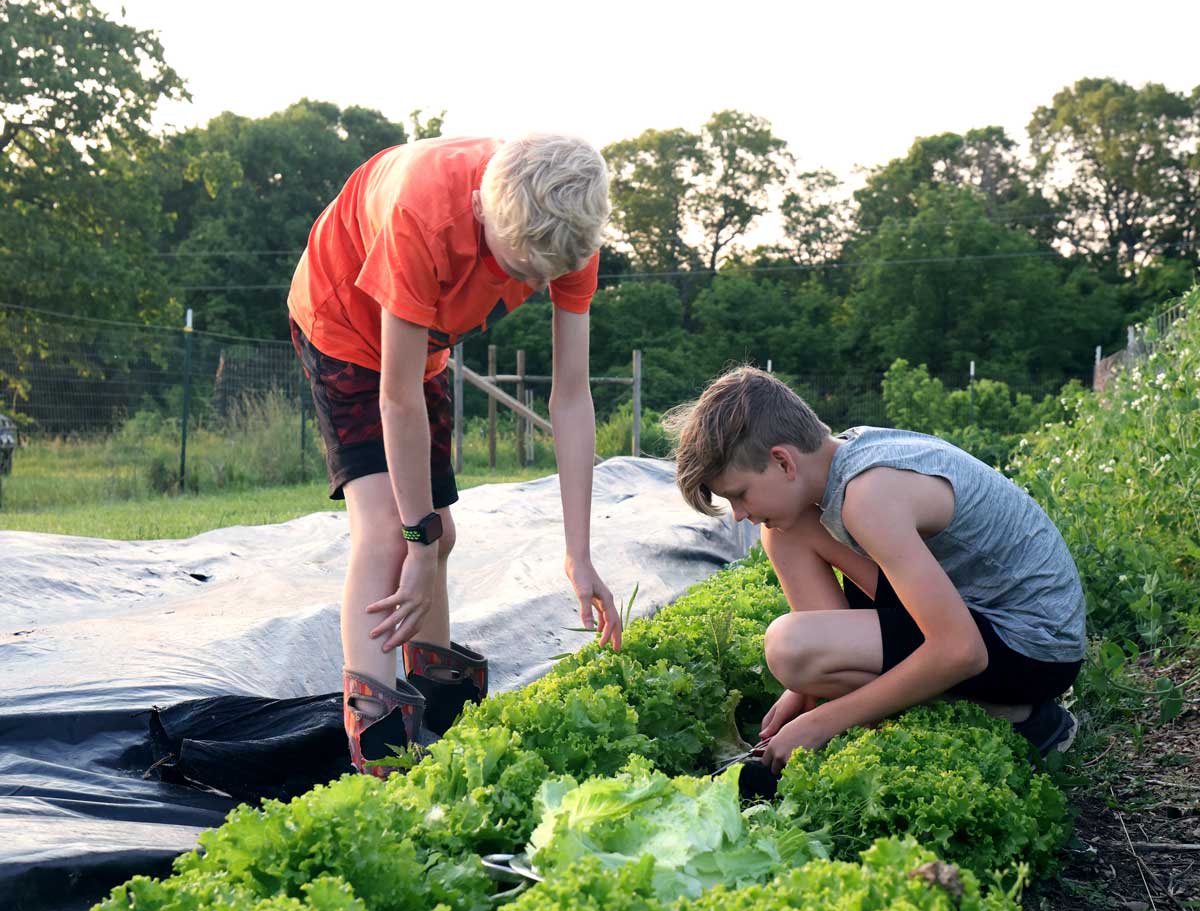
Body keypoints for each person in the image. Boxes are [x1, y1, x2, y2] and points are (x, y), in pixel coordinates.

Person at [288, 132, 621, 775]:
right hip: (344, 326)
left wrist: (579, 556)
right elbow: (397, 400)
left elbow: (572, 400)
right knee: (390, 533)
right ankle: (378, 740)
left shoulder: (568, 228)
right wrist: (414, 539)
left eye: (542, 277)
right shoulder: (423, 212)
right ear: (483, 211)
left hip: (425, 339)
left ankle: (435, 704)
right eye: (520, 269)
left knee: (440, 537)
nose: (527, 286)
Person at [667, 367, 1086, 771]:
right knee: (784, 534)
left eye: (739, 495)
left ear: (783, 462)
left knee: (790, 646)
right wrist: (806, 685)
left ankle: (1020, 719)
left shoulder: (870, 496)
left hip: (1033, 645)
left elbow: (962, 650)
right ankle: (892, 706)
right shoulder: (850, 456)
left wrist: (822, 722)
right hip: (978, 612)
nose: (739, 514)